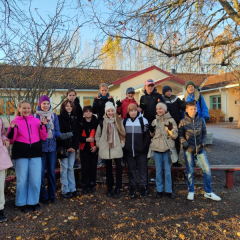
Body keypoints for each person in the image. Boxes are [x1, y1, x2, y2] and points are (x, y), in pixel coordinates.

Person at [7, 100, 48, 213]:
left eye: (28, 108)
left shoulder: (36, 121)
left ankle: (33, 202)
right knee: (22, 180)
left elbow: (43, 137)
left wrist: (43, 126)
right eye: (24, 108)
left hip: (35, 153)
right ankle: (21, 203)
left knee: (35, 180)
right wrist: (13, 128)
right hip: (21, 154)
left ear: (31, 109)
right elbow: (11, 140)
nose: (26, 110)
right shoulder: (15, 121)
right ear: (19, 109)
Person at [178, 102, 221, 201]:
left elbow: (204, 133)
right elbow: (180, 135)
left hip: (200, 149)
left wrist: (203, 142)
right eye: (191, 109)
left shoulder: (201, 120)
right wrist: (185, 143)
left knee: (207, 169)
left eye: (195, 109)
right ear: (187, 110)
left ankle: (208, 192)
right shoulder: (183, 122)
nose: (193, 111)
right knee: (190, 171)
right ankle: (191, 191)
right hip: (188, 150)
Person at [35, 95, 72, 204]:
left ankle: (52, 194)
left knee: (51, 172)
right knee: (41, 173)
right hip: (40, 148)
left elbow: (56, 131)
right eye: (43, 103)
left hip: (51, 148)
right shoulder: (36, 117)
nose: (46, 106)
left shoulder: (54, 116)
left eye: (47, 103)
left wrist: (62, 136)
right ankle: (43, 195)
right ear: (40, 104)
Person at [95, 102, 125, 198]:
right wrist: (99, 144)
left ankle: (117, 188)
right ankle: (109, 187)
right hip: (105, 148)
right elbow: (97, 135)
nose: (110, 113)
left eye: (112, 110)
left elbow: (122, 134)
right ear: (106, 112)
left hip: (116, 147)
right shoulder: (102, 122)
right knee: (108, 170)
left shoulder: (118, 121)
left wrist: (121, 144)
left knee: (118, 169)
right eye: (108, 111)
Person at [149, 102, 178, 199]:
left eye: (160, 108)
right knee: (158, 171)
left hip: (167, 149)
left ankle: (168, 190)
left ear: (165, 109)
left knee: (167, 170)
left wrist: (170, 129)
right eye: (157, 109)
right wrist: (151, 131)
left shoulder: (171, 120)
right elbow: (152, 135)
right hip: (157, 149)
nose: (158, 111)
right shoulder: (155, 121)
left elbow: (175, 135)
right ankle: (159, 190)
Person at [123, 103, 150, 198]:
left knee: (142, 170)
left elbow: (147, 136)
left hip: (141, 151)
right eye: (131, 111)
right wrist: (125, 148)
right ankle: (132, 187)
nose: (133, 112)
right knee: (131, 170)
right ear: (128, 112)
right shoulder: (125, 121)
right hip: (129, 151)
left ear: (137, 111)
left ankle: (143, 187)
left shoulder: (143, 121)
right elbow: (122, 136)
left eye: (135, 110)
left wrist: (144, 147)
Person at [57, 100, 80, 198]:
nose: (69, 107)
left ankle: (72, 188)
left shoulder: (75, 118)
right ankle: (65, 189)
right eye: (67, 106)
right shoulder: (60, 118)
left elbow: (77, 133)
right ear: (64, 107)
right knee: (64, 168)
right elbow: (60, 133)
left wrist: (74, 147)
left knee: (71, 167)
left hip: (72, 147)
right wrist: (67, 147)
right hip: (63, 147)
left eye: (70, 106)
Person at [162, 85, 186, 167]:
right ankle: (168, 160)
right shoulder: (162, 100)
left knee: (177, 142)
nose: (169, 92)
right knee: (169, 142)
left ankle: (176, 160)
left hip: (178, 122)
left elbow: (182, 105)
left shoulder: (176, 98)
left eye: (170, 91)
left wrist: (186, 103)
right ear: (164, 92)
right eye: (167, 91)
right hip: (168, 123)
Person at [93, 83, 115, 166]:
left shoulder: (110, 98)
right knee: (102, 139)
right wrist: (96, 101)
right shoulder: (98, 98)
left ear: (108, 90)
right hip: (101, 121)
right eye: (102, 90)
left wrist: (111, 100)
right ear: (100, 90)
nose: (104, 92)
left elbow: (113, 109)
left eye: (105, 90)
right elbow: (95, 111)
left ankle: (109, 157)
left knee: (109, 138)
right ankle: (102, 158)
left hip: (109, 121)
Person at [79, 106, 98, 194]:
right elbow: (78, 136)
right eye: (86, 112)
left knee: (93, 166)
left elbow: (99, 136)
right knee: (84, 167)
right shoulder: (81, 123)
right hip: (83, 148)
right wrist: (86, 139)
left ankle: (92, 183)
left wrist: (96, 146)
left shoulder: (96, 122)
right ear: (83, 113)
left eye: (90, 111)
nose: (88, 113)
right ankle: (84, 184)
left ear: (92, 112)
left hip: (93, 148)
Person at [66, 88, 83, 168]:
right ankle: (67, 161)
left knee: (75, 144)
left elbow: (80, 117)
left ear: (76, 96)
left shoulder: (78, 105)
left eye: (73, 95)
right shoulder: (65, 105)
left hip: (76, 127)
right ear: (67, 96)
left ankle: (75, 161)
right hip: (67, 127)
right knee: (68, 143)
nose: (72, 97)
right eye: (70, 95)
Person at [0, 118, 12, 222]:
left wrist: (5, 139)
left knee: (0, 186)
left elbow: (2, 133)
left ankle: (0, 209)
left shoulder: (1, 120)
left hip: (0, 157)